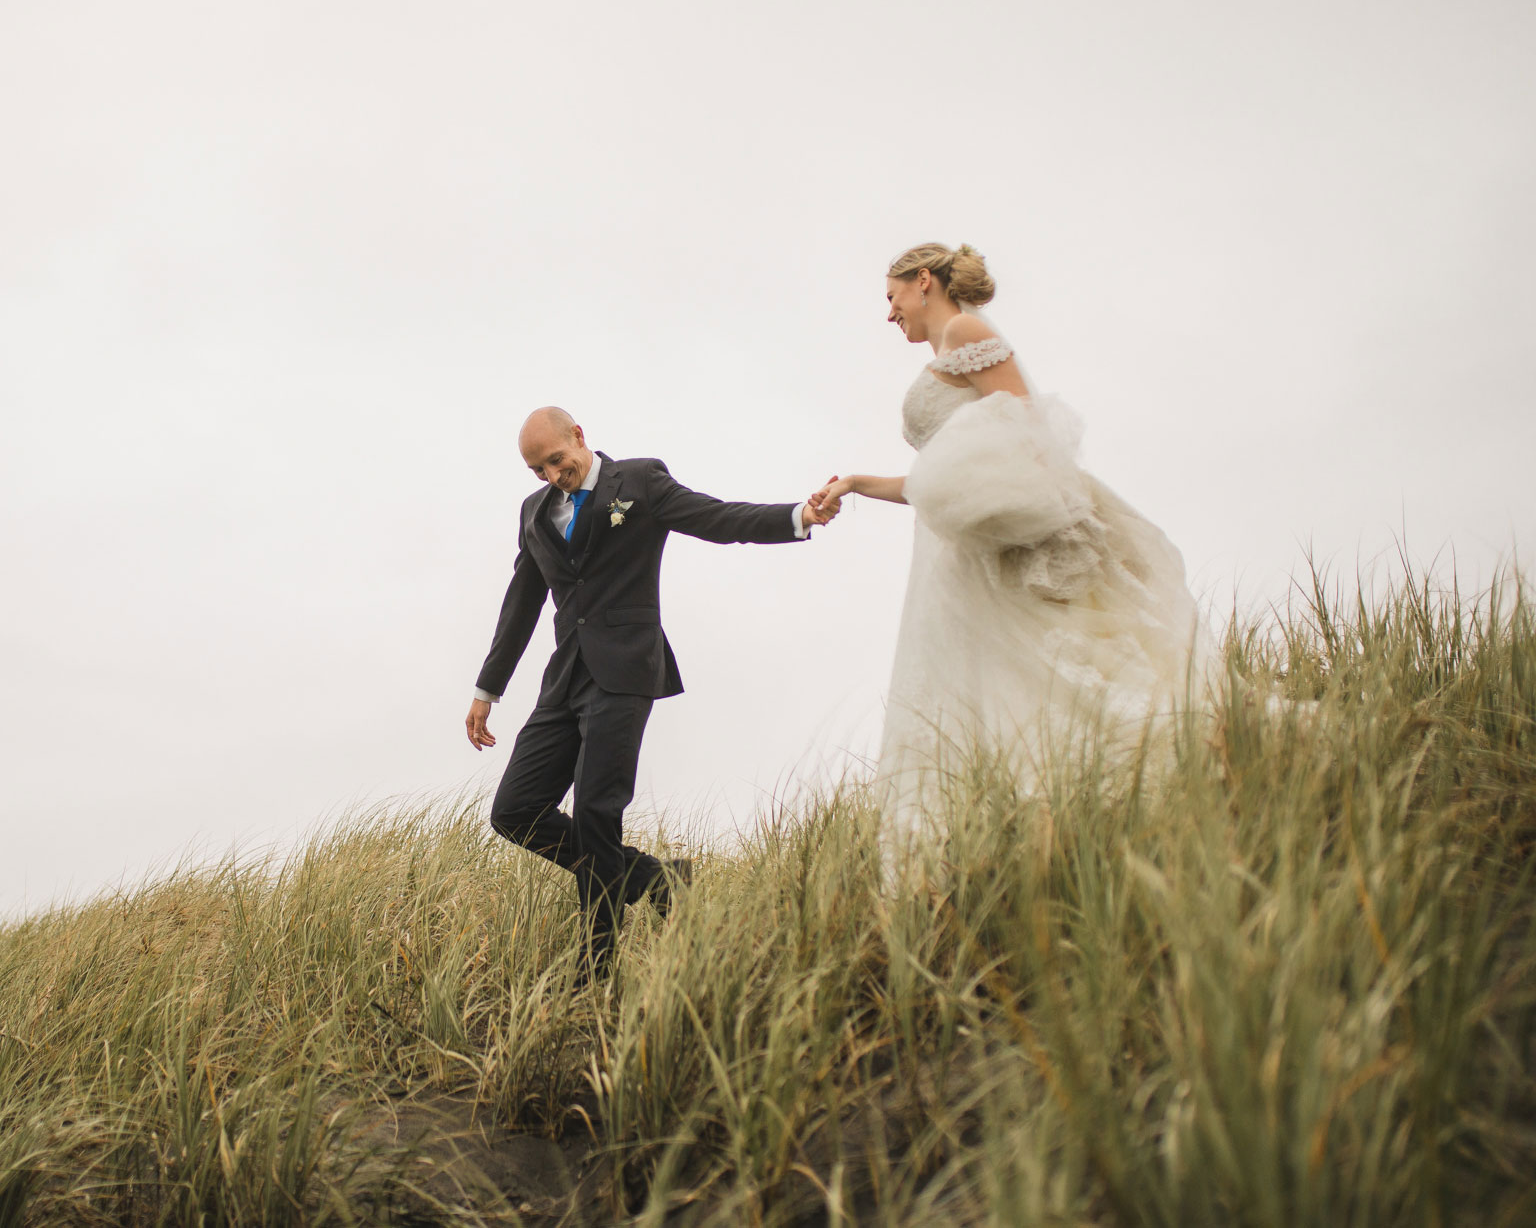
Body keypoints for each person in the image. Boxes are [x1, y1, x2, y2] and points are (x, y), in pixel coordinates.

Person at [808, 243, 1202, 837]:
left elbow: (1024, 423)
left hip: (995, 539)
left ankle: (1147, 768)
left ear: (923, 282)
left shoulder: (966, 330)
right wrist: (859, 484)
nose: (889, 314)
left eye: (891, 298)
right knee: (985, 681)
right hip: (952, 548)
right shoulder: (945, 350)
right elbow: (938, 481)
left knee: (1051, 666)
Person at [467, 407, 834, 979]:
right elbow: (521, 602)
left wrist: (798, 515)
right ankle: (658, 881)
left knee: (596, 810)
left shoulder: (636, 482)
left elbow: (716, 518)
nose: (552, 476)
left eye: (557, 461)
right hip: (564, 680)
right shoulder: (533, 513)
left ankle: (597, 964)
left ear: (579, 438)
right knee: (514, 810)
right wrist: (488, 688)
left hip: (625, 671)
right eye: (538, 470)